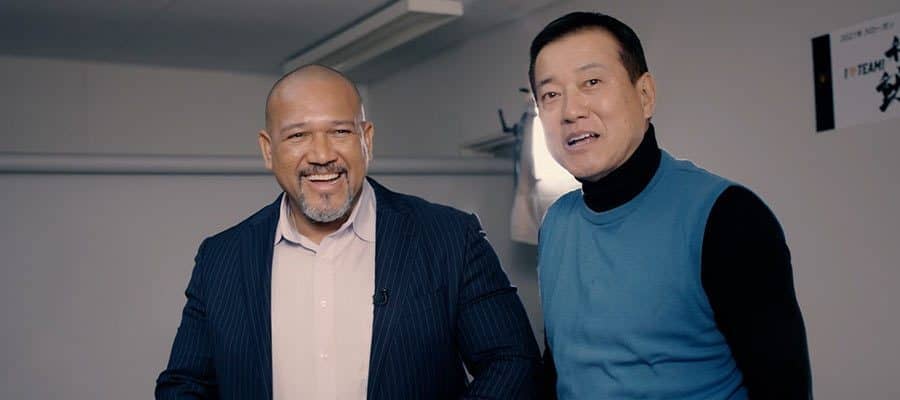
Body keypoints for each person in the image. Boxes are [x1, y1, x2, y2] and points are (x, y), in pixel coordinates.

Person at [155, 64, 540, 399]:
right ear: (268, 150)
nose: (322, 155)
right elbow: (185, 384)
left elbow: (513, 362)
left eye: (340, 131)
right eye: (297, 135)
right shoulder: (221, 258)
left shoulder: (450, 237)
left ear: (366, 139)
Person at [530, 12, 812, 399]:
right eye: (551, 95)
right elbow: (560, 369)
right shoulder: (555, 225)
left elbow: (783, 387)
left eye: (591, 82)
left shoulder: (726, 215)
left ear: (645, 95)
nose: (570, 110)